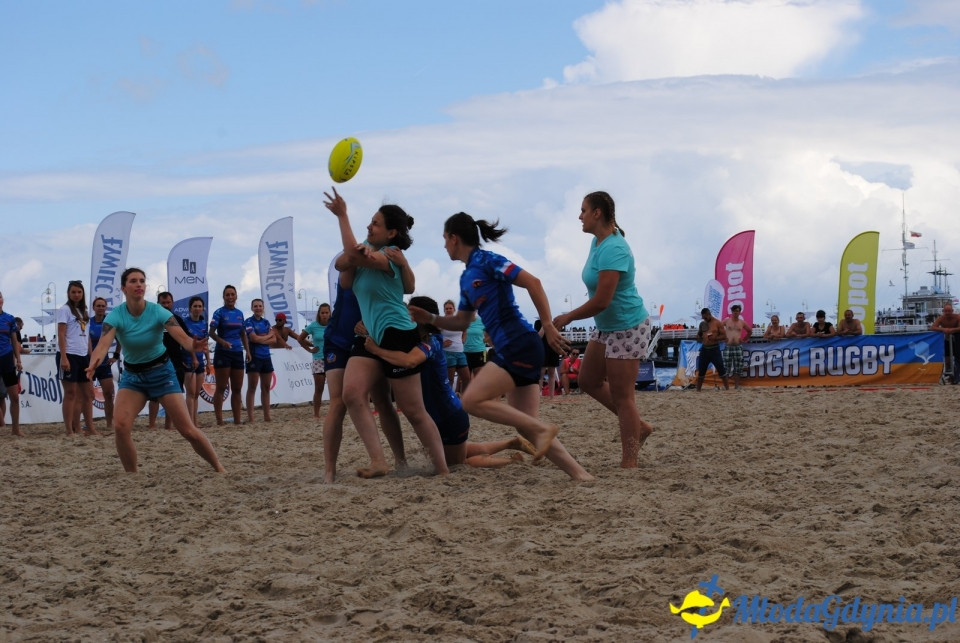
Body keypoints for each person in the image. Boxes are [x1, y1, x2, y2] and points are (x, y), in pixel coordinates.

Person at [409, 210, 592, 481]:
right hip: (516, 349)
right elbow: (463, 321)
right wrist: (432, 319)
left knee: (470, 400)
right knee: (529, 430)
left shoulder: (487, 260)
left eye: (445, 239)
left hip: (518, 343)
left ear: (454, 238)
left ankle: (540, 429)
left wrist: (548, 324)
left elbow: (533, 282)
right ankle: (580, 475)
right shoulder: (467, 277)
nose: (444, 245)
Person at [324, 187, 450, 477]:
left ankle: (442, 470)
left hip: (398, 334)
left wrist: (343, 216)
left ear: (391, 233)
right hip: (372, 337)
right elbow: (345, 272)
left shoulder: (392, 257)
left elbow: (351, 259)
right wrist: (352, 256)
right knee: (352, 394)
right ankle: (379, 461)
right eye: (369, 222)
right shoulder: (366, 255)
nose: (369, 226)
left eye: (375, 223)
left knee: (414, 412)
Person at [365, 296, 535, 468]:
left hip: (448, 415)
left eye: (410, 313)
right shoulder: (418, 339)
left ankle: (512, 460)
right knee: (455, 453)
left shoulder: (432, 340)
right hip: (442, 413)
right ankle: (512, 443)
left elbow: (410, 361)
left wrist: (376, 350)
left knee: (458, 463)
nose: (406, 317)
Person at [85, 268, 225, 473]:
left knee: (187, 430)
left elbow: (183, 339)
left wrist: (193, 346)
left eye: (142, 281)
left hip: (161, 372)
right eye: (133, 281)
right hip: (133, 376)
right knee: (120, 426)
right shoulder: (116, 315)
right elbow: (103, 345)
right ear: (124, 288)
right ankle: (132, 475)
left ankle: (219, 467)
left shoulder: (158, 311)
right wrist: (94, 362)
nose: (139, 284)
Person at [551, 191, 655, 467]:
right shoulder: (598, 242)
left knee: (624, 397)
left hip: (628, 326)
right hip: (607, 326)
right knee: (587, 380)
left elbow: (602, 300)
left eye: (583, 210)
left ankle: (629, 461)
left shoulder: (615, 248)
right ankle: (639, 426)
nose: (579, 216)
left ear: (597, 212)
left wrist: (568, 317)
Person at [319, 259, 409, 483]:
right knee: (338, 402)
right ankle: (330, 470)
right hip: (339, 340)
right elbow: (344, 263)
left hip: (369, 339)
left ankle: (401, 461)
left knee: (382, 399)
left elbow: (397, 304)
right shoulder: (353, 265)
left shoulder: (386, 270)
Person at [57, 280, 96, 436]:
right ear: (68, 293)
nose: (76, 295)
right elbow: (61, 333)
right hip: (69, 354)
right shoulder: (64, 310)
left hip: (83, 355)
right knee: (71, 393)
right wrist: (64, 357)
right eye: (73, 292)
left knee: (87, 394)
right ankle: (69, 429)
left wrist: (91, 357)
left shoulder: (84, 311)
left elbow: (86, 336)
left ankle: (88, 427)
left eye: (79, 292)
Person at [209, 285, 250, 425]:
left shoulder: (240, 313)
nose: (230, 297)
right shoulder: (219, 312)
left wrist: (248, 351)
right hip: (223, 353)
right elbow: (211, 333)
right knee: (221, 387)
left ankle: (237, 420)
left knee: (237, 389)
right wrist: (222, 341)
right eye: (227, 295)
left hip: (237, 353)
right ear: (224, 297)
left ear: (236, 296)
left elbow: (243, 333)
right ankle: (219, 420)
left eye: (232, 294)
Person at [148, 292, 189, 430]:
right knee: (154, 395)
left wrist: (187, 358)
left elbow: (186, 339)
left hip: (176, 362)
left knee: (173, 394)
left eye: (168, 302)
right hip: (155, 361)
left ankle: (168, 425)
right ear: (158, 304)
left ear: (172, 303)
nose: (166, 305)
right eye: (163, 303)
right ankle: (152, 425)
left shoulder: (177, 319)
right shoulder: (152, 320)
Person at [88, 297, 119, 430]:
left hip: (104, 363)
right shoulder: (88, 323)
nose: (100, 308)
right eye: (98, 306)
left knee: (108, 393)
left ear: (106, 308)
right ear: (93, 307)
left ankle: (109, 424)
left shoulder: (110, 323)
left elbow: (120, 340)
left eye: (103, 306)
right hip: (89, 363)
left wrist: (115, 356)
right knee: (88, 395)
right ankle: (89, 424)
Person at [244, 298, 276, 423]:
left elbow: (274, 340)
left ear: (263, 308)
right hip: (254, 356)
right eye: (255, 306)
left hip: (266, 357)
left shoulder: (266, 322)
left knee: (266, 387)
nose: (258, 308)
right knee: (252, 387)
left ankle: (267, 416)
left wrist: (262, 338)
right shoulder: (248, 321)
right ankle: (251, 417)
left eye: (260, 306)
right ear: (252, 308)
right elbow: (253, 339)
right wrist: (268, 336)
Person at [182, 296, 211, 427]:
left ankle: (195, 421)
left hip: (200, 361)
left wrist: (209, 362)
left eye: (200, 306)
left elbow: (205, 345)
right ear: (190, 308)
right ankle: (189, 422)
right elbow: (187, 343)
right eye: (195, 306)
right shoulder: (185, 322)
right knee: (190, 392)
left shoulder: (204, 323)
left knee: (196, 394)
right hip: (188, 360)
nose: (197, 309)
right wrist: (193, 358)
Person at [299, 306, 331, 419]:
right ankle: (316, 414)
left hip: (332, 359)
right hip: (318, 359)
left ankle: (334, 412)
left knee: (334, 388)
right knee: (319, 388)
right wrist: (310, 349)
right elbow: (300, 339)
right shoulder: (313, 325)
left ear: (330, 313)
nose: (324, 315)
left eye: (327, 312)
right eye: (322, 312)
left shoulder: (333, 325)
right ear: (319, 313)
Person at [0, 291, 23, 436]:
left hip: (7, 359)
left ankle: (15, 429)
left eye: (0, 297)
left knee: (14, 396)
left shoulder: (10, 319)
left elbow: (14, 341)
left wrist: (18, 359)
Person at [441, 299, 471, 394]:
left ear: (454, 309)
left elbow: (465, 331)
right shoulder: (441, 322)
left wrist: (463, 340)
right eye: (447, 308)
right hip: (448, 352)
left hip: (460, 352)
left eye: (450, 308)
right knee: (450, 379)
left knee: (467, 378)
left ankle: (463, 400)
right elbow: (434, 335)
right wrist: (442, 343)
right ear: (444, 310)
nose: (449, 310)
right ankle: (449, 400)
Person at [695, 308, 729, 392]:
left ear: (709, 314)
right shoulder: (703, 324)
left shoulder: (717, 323)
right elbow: (699, 336)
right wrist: (699, 337)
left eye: (705, 317)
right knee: (701, 371)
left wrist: (715, 338)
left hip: (714, 349)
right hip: (705, 349)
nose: (704, 319)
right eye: (703, 318)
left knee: (721, 369)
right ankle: (698, 390)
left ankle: (728, 389)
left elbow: (724, 336)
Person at [931, 303, 960, 384]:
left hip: (957, 338)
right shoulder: (941, 318)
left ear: (952, 311)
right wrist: (944, 329)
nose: (947, 313)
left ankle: (957, 376)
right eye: (946, 311)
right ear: (943, 311)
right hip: (947, 339)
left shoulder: (957, 317)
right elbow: (933, 327)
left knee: (958, 358)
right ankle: (950, 377)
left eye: (949, 311)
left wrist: (951, 330)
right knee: (947, 359)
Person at [722, 303, 748, 389]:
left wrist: (744, 339)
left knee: (738, 367)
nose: (736, 313)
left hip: (737, 346)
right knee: (726, 366)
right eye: (734, 311)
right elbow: (718, 328)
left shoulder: (742, 322)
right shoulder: (727, 321)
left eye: (737, 311)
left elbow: (750, 331)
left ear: (740, 312)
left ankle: (737, 385)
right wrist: (722, 337)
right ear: (731, 311)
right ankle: (727, 386)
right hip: (728, 346)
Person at [534, 319, 561, 399]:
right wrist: (544, 326)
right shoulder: (538, 322)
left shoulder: (553, 323)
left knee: (551, 372)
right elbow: (539, 336)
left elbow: (556, 335)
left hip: (552, 348)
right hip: (542, 348)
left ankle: (552, 396)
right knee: (541, 372)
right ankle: (538, 395)